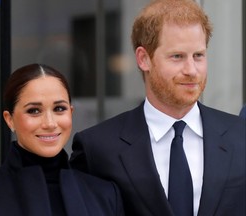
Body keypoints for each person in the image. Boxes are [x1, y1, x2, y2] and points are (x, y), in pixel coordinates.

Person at [70, 0, 246, 215]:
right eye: (177, 56)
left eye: (198, 55)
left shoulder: (241, 136)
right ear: (144, 59)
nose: (191, 70)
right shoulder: (97, 149)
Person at [0, 64, 124, 216]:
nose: (50, 123)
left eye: (59, 109)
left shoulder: (106, 196)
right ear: (10, 120)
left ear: (71, 113)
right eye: (34, 111)